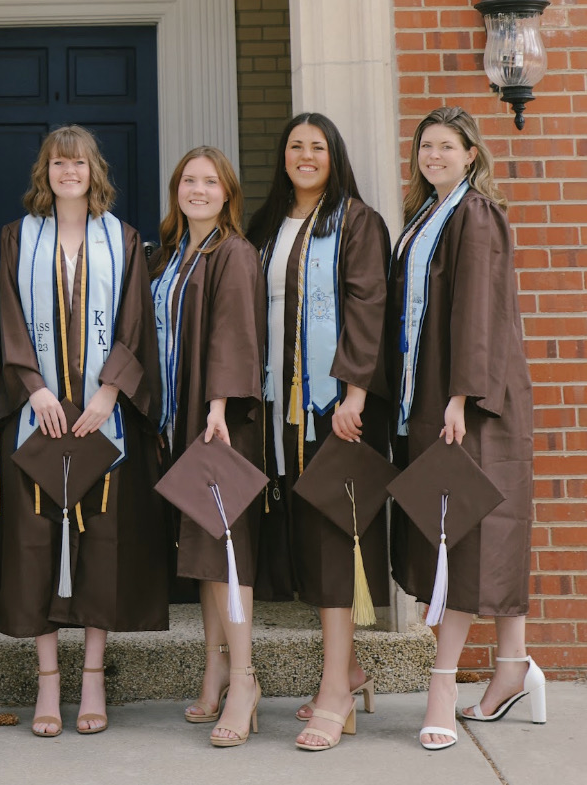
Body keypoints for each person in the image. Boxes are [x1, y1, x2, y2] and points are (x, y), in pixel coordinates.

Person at [0, 125, 166, 737]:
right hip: (39, 416)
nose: (70, 173)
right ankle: (46, 684)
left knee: (101, 542)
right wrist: (34, 389)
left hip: (100, 418)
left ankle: (92, 677)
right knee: (37, 542)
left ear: (95, 172)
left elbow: (134, 321)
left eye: (80, 163)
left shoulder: (123, 238)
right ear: (46, 170)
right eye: (59, 163)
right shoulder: (17, 238)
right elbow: (8, 318)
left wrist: (110, 390)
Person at [388, 106, 540, 750]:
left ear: (471, 154)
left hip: (469, 402)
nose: (434, 156)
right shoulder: (428, 215)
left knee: (458, 535)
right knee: (477, 534)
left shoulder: (473, 215)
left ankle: (443, 686)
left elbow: (478, 312)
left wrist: (458, 396)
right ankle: (512, 667)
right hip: (436, 397)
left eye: (447, 146)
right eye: (427, 146)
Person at [246, 113, 391, 751]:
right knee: (308, 537)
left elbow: (368, 304)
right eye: (296, 146)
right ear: (282, 157)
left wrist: (355, 392)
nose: (306, 156)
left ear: (335, 156)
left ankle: (336, 689)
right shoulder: (266, 227)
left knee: (336, 541)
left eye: (318, 147)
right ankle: (348, 672)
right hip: (283, 409)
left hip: (336, 408)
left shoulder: (356, 222)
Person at [150, 146, 265, 747]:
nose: (197, 190)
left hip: (220, 423)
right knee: (203, 550)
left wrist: (217, 405)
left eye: (209, 181)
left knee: (228, 552)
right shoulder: (172, 257)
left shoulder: (234, 253)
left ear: (226, 193)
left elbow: (234, 333)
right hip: (185, 420)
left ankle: (245, 681)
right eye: (188, 181)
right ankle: (215, 667)